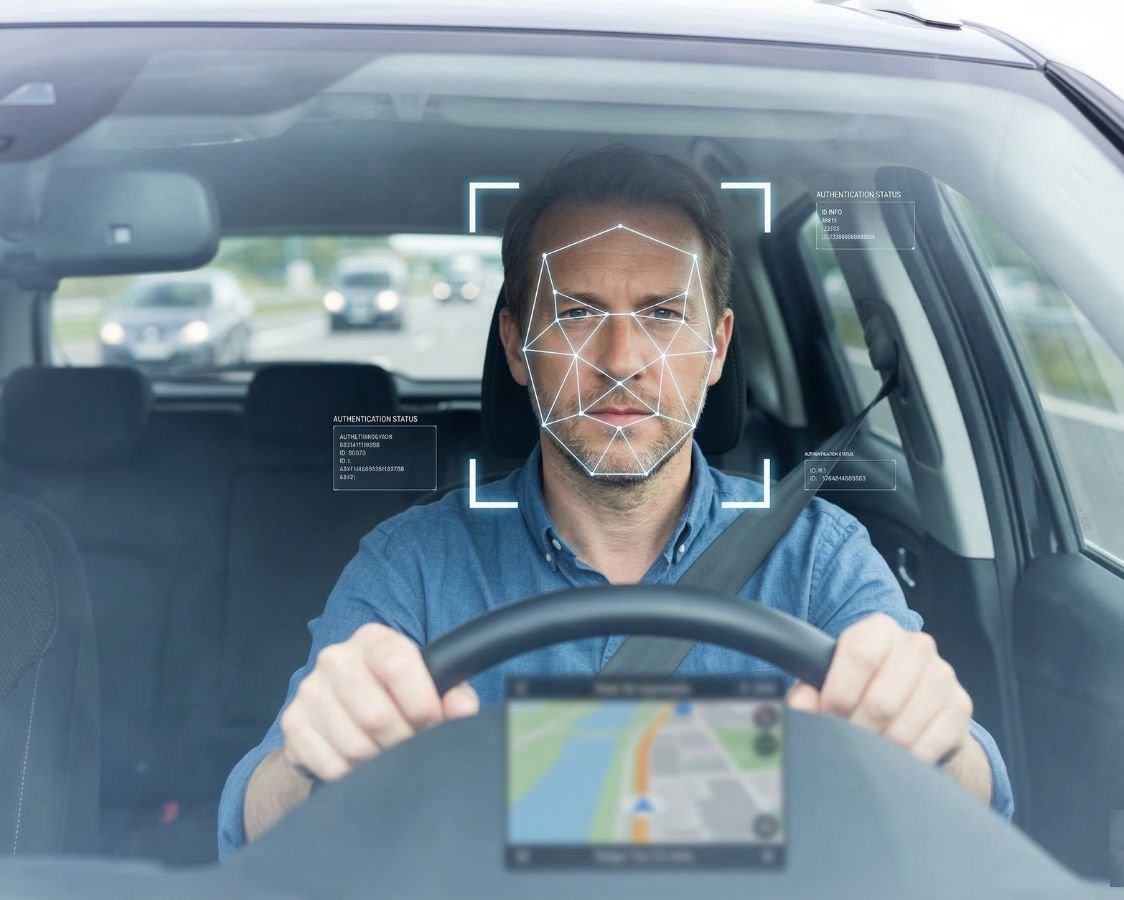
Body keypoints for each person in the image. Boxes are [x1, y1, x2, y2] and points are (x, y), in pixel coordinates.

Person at [217, 146, 1012, 859]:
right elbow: (253, 824)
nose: (622, 361)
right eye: (576, 312)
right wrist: (310, 760)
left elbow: (975, 799)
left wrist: (934, 741)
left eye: (664, 314)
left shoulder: (816, 554)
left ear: (717, 350)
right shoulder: (414, 565)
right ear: (515, 350)